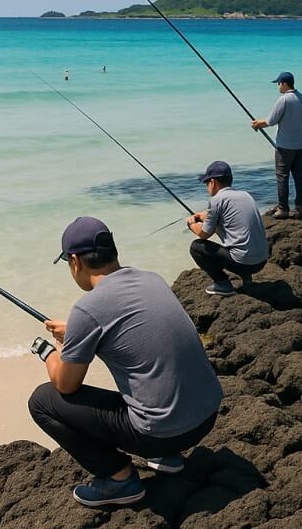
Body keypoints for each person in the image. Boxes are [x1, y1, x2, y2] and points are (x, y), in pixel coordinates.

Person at [27, 217, 223, 508]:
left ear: (75, 262)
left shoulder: (88, 309)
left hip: (164, 433)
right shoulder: (151, 279)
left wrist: (51, 353)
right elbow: (129, 328)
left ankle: (119, 480)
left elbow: (65, 385)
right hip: (206, 416)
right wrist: (77, 332)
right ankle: (166, 459)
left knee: (42, 400)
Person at [188, 160, 269, 296]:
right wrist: (202, 216)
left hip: (244, 263)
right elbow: (222, 215)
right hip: (261, 261)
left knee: (196, 247)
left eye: (207, 183)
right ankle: (246, 278)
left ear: (213, 183)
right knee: (236, 238)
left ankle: (223, 284)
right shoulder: (245, 195)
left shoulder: (216, 200)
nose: (207, 187)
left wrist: (191, 224)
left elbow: (204, 234)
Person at [251, 71, 302, 220]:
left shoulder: (283, 100)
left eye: (278, 83)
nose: (278, 86)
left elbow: (271, 121)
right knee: (298, 176)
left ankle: (283, 209)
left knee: (282, 177)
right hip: (300, 145)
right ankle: (301, 207)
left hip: (285, 147)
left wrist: (257, 124)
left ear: (284, 83)